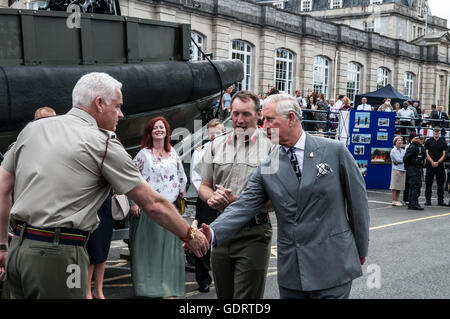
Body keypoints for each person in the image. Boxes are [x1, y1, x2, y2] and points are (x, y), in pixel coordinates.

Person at [0, 72, 209, 299]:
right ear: (99, 103)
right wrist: (190, 234)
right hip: (59, 254)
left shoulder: (33, 130)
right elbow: (153, 203)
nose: (121, 114)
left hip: (18, 251)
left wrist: (2, 245)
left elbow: (2, 187)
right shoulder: (103, 143)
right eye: (117, 106)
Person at [200, 93, 370, 299]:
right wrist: (211, 234)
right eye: (263, 121)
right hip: (293, 270)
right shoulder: (268, 163)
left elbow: (358, 205)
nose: (265, 126)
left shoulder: (335, 151)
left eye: (270, 120)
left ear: (291, 118)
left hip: (333, 264)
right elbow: (243, 205)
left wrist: (360, 250)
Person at [195, 90, 275, 299]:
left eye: (246, 114)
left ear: (259, 115)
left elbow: (277, 198)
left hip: (254, 233)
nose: (239, 120)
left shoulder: (271, 148)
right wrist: (210, 197)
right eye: (235, 113)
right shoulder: (216, 144)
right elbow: (204, 185)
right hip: (221, 231)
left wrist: (238, 202)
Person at [129, 116, 188, 298]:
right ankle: (149, 288)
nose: (159, 130)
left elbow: (181, 177)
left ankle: (167, 287)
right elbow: (131, 179)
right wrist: (134, 202)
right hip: (151, 210)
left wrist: (181, 197)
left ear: (167, 131)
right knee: (150, 251)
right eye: (155, 128)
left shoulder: (173, 154)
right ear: (150, 132)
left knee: (170, 252)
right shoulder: (143, 154)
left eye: (162, 127)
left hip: (170, 209)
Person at [190, 118, 225, 293]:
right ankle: (203, 279)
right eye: (213, 132)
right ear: (208, 134)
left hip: (226, 199)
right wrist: (211, 196)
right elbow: (196, 179)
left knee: (224, 238)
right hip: (206, 201)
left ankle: (224, 276)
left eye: (219, 132)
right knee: (202, 238)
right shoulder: (200, 152)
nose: (216, 136)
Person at [86, 192, 114, 299]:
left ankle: (98, 290)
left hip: (106, 201)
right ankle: (86, 292)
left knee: (104, 248)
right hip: (91, 200)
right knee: (93, 248)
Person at [424, 127, 447, 206]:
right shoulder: (428, 141)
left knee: (440, 184)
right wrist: (432, 162)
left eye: (437, 131)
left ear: (440, 132)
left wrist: (438, 162)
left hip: (439, 165)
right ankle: (428, 200)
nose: (436, 133)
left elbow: (444, 154)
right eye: (435, 131)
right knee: (428, 183)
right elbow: (427, 153)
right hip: (430, 165)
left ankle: (440, 200)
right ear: (433, 132)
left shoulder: (443, 142)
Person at [403, 134, 426, 210]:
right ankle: (413, 203)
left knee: (415, 186)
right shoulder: (412, 147)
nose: (422, 140)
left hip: (418, 168)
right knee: (415, 186)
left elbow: (423, 156)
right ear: (416, 139)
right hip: (412, 168)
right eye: (421, 139)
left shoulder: (421, 147)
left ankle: (412, 203)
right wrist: (409, 167)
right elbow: (405, 158)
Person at [390, 136, 406, 207]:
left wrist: (402, 160)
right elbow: (398, 159)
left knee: (399, 186)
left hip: (402, 169)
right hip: (396, 170)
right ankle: (394, 200)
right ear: (395, 142)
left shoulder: (403, 151)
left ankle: (397, 199)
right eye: (398, 140)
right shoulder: (393, 150)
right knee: (394, 186)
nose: (400, 142)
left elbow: (404, 158)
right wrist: (403, 160)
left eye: (401, 140)